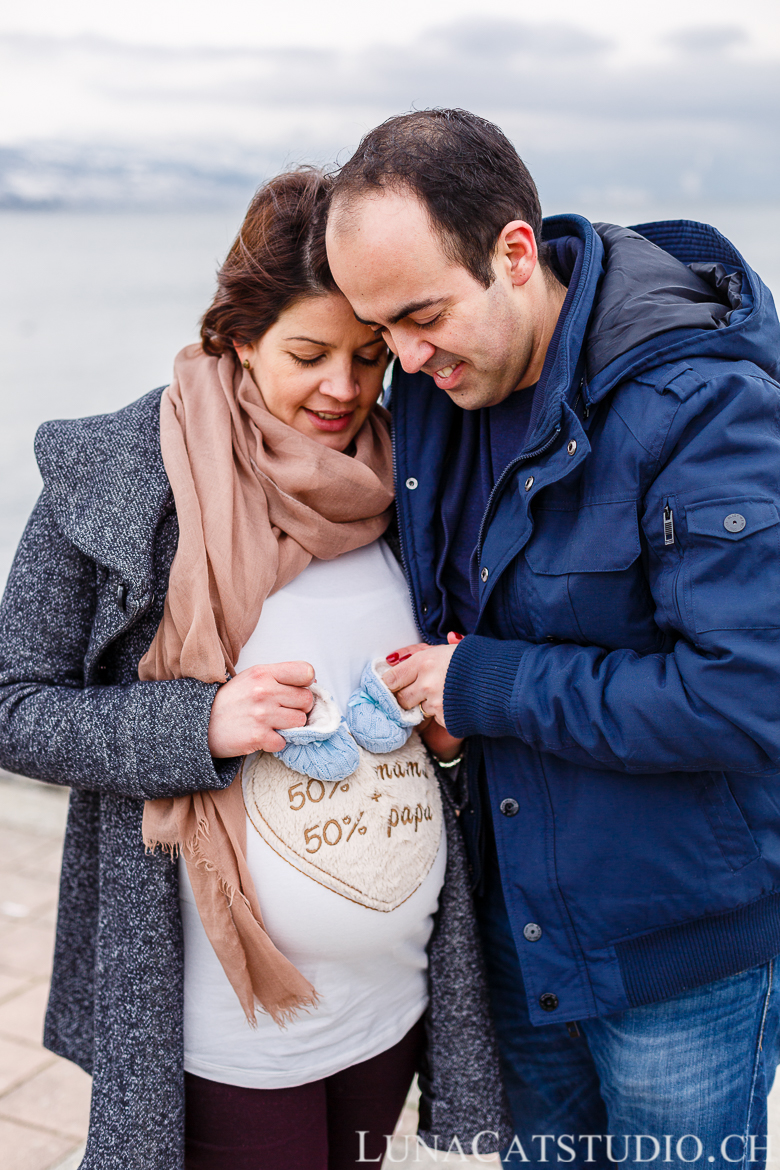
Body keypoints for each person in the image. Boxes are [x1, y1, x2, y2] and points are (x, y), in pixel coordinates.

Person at [0, 168, 509, 1170]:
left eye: (369, 357)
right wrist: (197, 725)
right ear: (236, 332)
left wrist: (449, 729)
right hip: (222, 1013)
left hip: (389, 997)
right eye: (308, 354)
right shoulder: (118, 479)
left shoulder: (409, 476)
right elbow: (13, 708)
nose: (344, 389)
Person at [325, 108, 780, 1162]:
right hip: (518, 937)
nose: (403, 354)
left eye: (422, 313)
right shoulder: (434, 390)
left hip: (682, 959)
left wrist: (478, 685)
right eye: (379, 326)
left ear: (515, 253)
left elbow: (745, 694)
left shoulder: (704, 402)